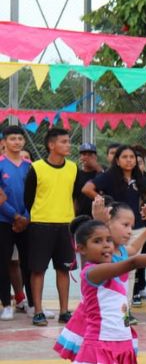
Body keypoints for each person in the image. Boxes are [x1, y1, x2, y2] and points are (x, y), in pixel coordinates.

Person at [55, 202, 146, 360]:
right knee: (91, 355)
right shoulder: (101, 257)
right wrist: (100, 221)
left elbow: (135, 248)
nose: (129, 231)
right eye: (125, 225)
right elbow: (134, 260)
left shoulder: (122, 251)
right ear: (109, 224)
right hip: (95, 319)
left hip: (113, 319)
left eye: (131, 226)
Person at [82, 145, 146, 310]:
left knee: (131, 269)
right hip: (115, 227)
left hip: (137, 227)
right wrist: (104, 201)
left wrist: (142, 208)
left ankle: (126, 309)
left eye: (132, 157)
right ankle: (109, 306)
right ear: (117, 161)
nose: (129, 160)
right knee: (114, 265)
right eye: (124, 157)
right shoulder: (109, 177)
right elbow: (87, 188)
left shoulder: (138, 178)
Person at [24, 127, 80, 326]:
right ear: (51, 145)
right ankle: (38, 311)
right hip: (41, 224)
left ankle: (64, 311)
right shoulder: (37, 167)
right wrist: (39, 215)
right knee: (38, 270)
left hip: (65, 225)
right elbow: (28, 199)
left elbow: (74, 196)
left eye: (68, 141)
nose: (68, 145)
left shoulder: (73, 168)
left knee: (63, 270)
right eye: (63, 142)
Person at [0, 125, 33, 320]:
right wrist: (15, 216)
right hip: (4, 221)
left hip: (27, 222)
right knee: (3, 263)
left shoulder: (30, 165)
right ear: (4, 142)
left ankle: (32, 304)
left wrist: (26, 217)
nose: (17, 142)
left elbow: (35, 194)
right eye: (12, 138)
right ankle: (6, 304)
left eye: (20, 138)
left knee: (29, 264)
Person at [74, 143, 103, 218]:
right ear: (80, 157)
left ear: (96, 157)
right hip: (81, 215)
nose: (87, 157)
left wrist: (97, 167)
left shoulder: (102, 172)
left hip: (99, 215)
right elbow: (74, 198)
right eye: (84, 154)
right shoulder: (77, 174)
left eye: (90, 154)